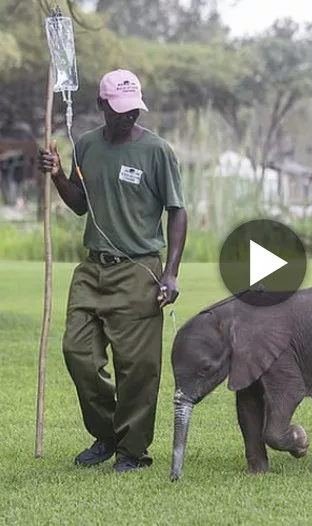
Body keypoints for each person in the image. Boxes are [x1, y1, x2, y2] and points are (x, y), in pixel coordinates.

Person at [38, 69, 187, 473]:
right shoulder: (86, 146)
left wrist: (171, 273)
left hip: (140, 270)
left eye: (133, 109)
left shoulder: (157, 151)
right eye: (119, 109)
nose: (128, 116)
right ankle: (107, 432)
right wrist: (55, 175)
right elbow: (79, 202)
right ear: (102, 106)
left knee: (137, 369)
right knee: (77, 352)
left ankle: (133, 452)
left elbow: (177, 212)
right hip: (92, 269)